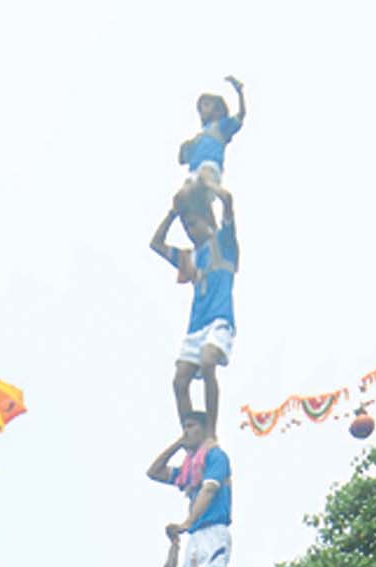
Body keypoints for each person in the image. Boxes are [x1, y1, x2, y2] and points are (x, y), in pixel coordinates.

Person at [150, 192, 238, 441]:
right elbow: (156, 244)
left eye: (193, 224)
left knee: (208, 360)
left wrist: (211, 188)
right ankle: (190, 436)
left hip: (219, 320)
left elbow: (228, 203)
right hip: (196, 327)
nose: (190, 231)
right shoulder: (189, 258)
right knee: (180, 381)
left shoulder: (223, 244)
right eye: (186, 227)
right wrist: (173, 213)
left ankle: (211, 432)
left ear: (207, 220)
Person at [147, 412, 233, 567]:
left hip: (214, 530)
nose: (187, 430)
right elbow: (154, 471)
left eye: (191, 426)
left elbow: (208, 491)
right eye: (184, 426)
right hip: (195, 536)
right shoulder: (189, 469)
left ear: (204, 429)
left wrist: (187, 521)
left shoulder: (216, 457)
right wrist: (178, 444)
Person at [175, 77, 246, 208]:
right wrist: (183, 148)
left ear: (218, 110)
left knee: (205, 177)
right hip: (194, 172)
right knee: (182, 195)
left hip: (210, 165)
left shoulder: (220, 127)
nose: (203, 109)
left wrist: (239, 92)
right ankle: (174, 212)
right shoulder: (197, 139)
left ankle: (224, 196)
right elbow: (182, 160)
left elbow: (241, 115)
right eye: (201, 107)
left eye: (207, 105)